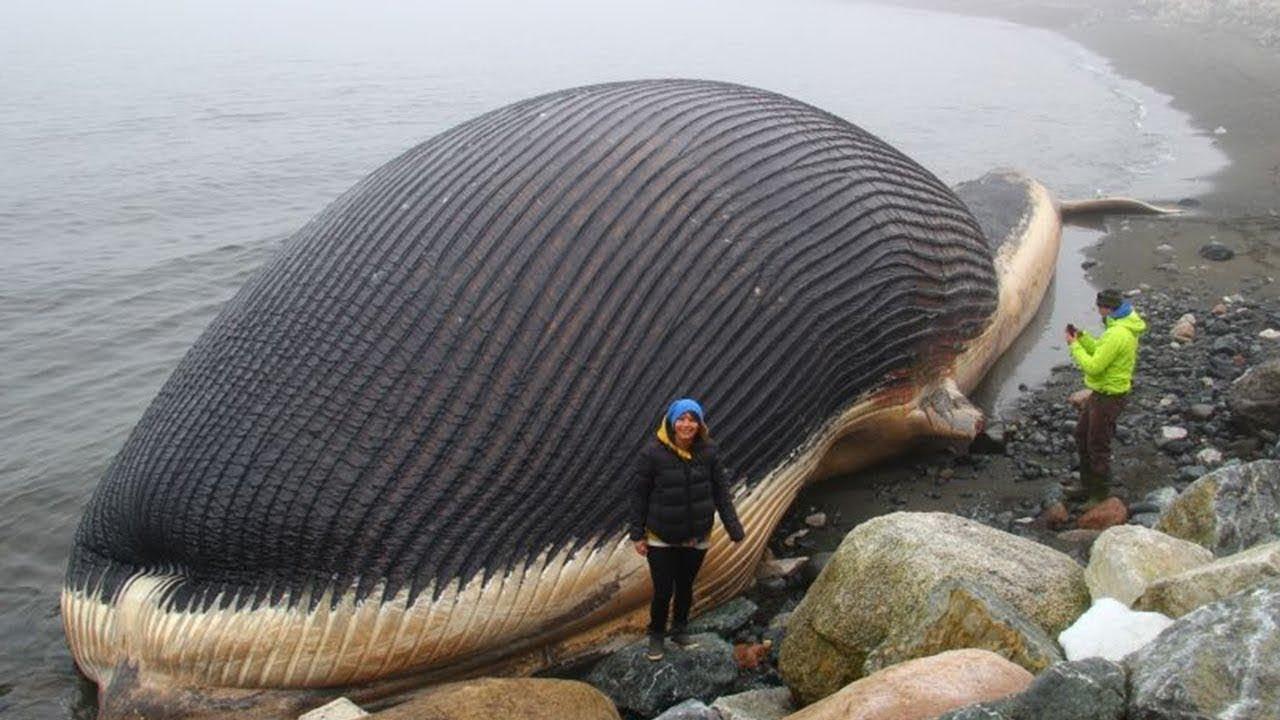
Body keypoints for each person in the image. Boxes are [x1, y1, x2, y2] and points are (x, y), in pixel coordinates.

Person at [630, 397, 745, 662]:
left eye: (692, 419)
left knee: (685, 586)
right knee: (663, 590)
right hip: (662, 536)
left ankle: (679, 630)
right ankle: (656, 635)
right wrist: (637, 533)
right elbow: (639, 495)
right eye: (681, 419)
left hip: (696, 535)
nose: (686, 424)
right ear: (671, 422)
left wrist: (733, 528)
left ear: (700, 424)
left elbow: (721, 492)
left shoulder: (709, 451)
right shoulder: (652, 454)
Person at [1064, 289, 1147, 502]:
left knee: (1098, 444)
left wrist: (1074, 347)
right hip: (1101, 394)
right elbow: (1102, 351)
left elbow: (1094, 366)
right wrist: (1082, 338)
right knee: (1082, 436)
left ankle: (1099, 494)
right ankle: (1086, 485)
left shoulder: (1117, 333)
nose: (1098, 311)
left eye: (1099, 307)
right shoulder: (1119, 325)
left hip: (1109, 397)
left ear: (1107, 308)